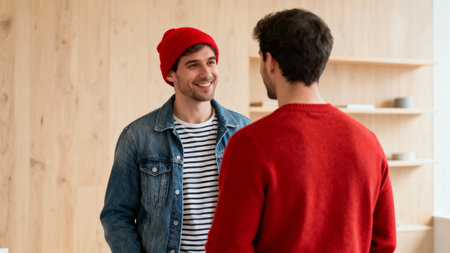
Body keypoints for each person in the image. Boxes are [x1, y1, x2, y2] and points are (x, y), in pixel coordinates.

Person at [206, 8, 396, 253]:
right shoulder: (368, 142)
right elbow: (385, 244)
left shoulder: (250, 143)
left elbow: (228, 247)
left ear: (270, 61)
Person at [100, 27, 251, 253]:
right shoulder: (137, 137)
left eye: (211, 62)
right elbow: (116, 215)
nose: (207, 72)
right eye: (193, 65)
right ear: (171, 74)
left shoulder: (244, 132)